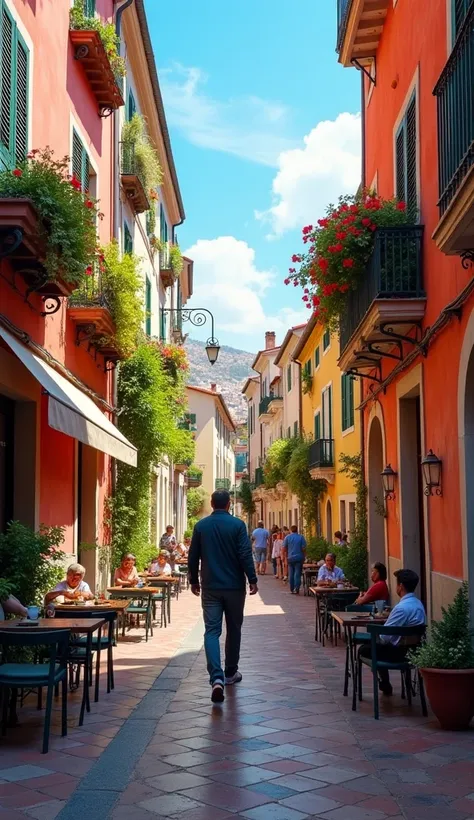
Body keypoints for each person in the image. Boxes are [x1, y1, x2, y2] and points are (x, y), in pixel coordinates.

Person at [188, 489, 258, 704]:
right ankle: (230, 673)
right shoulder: (237, 526)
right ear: (229, 504)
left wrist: (194, 581)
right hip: (235, 587)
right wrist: (252, 578)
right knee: (234, 628)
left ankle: (216, 678)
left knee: (211, 631)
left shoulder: (201, 526)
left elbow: (193, 556)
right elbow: (245, 553)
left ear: (211, 503)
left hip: (210, 587)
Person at [359, 568, 426, 696]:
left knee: (365, 649)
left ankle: (384, 682)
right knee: (378, 645)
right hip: (415, 652)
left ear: (400, 586)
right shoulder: (419, 605)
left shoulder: (401, 608)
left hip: (399, 654)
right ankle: (386, 683)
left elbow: (385, 637)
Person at [283, 525, 307, 594]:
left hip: (290, 558)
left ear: (290, 530)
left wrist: (285, 556)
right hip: (299, 557)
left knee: (291, 573)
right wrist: (304, 555)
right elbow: (303, 548)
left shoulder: (287, 537)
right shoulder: (301, 537)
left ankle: (291, 588)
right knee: (297, 573)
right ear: (297, 530)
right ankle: (297, 588)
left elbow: (284, 548)